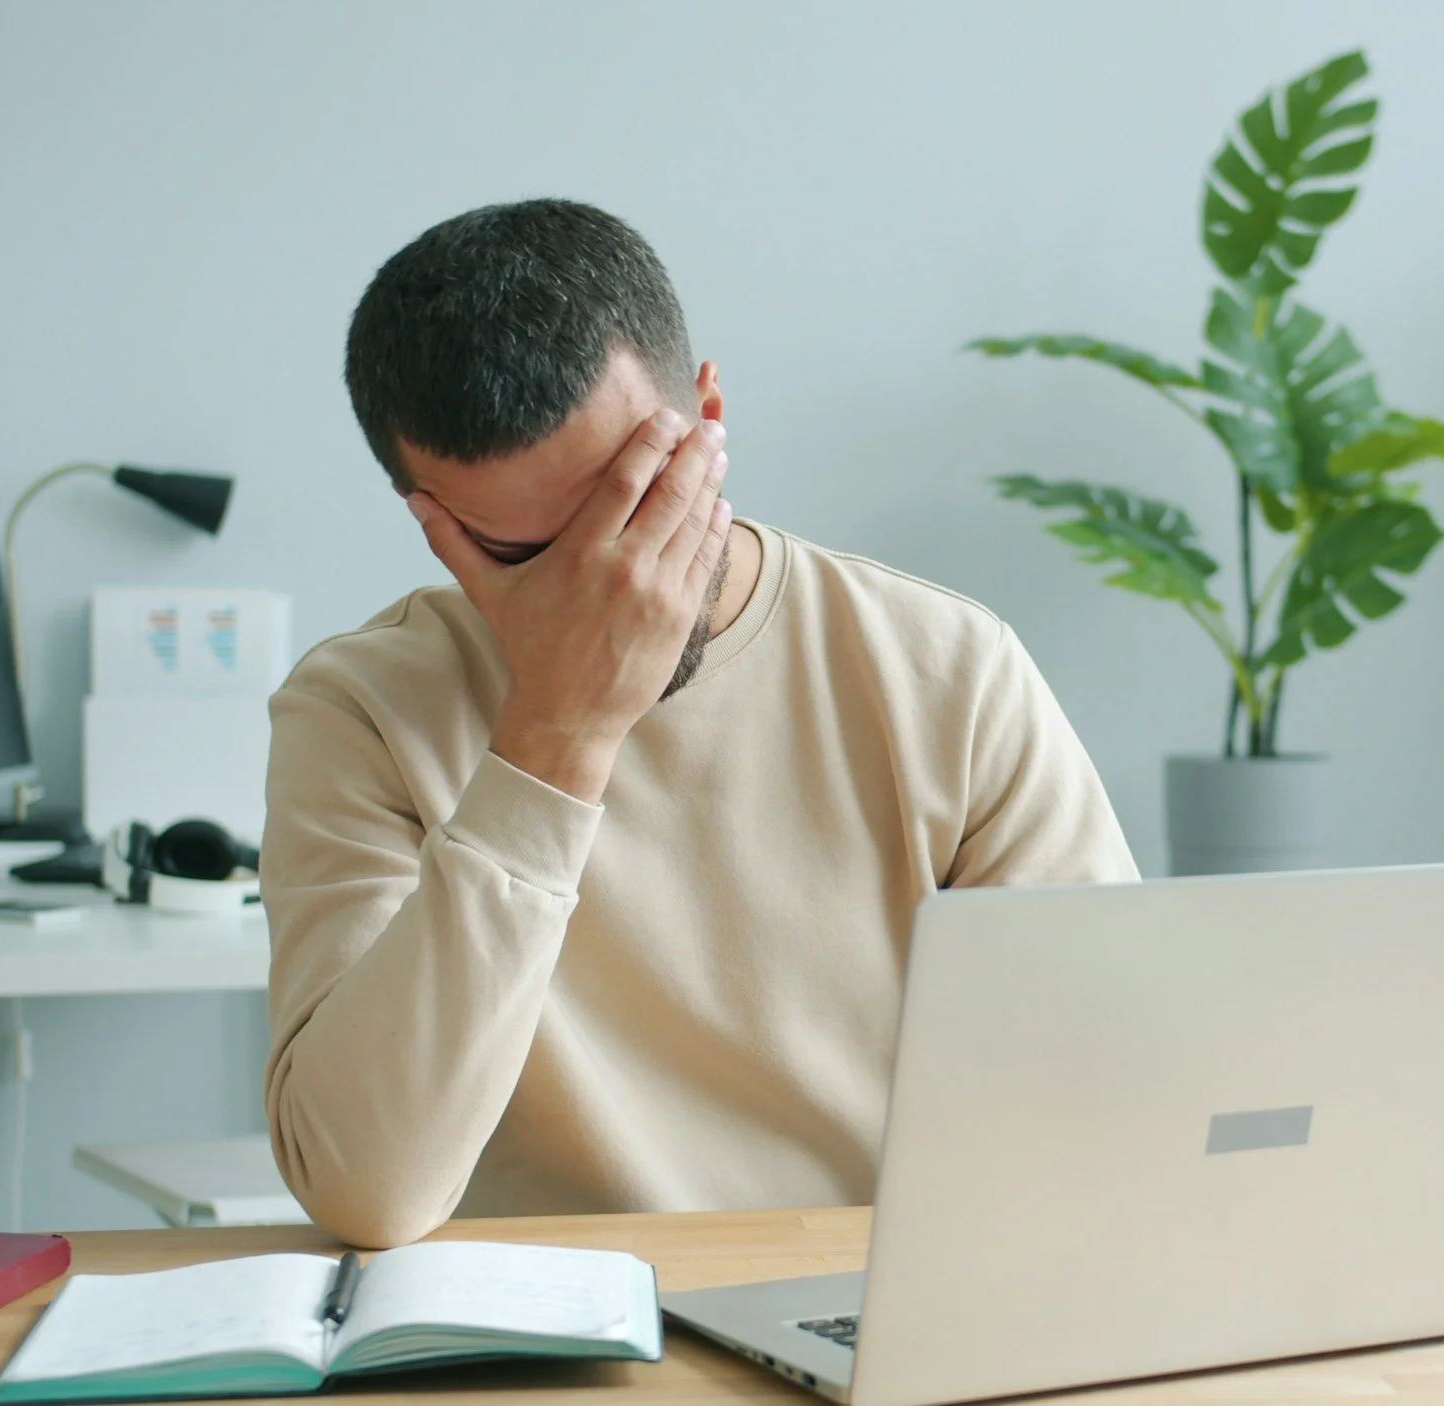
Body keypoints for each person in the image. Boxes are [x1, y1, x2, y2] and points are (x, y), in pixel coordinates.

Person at [260, 199, 1138, 1248]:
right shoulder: (359, 712)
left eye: (633, 507)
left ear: (707, 417)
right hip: (550, 1339)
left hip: (871, 1306)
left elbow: (1110, 1100)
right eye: (526, 556)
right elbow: (371, 1188)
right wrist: (555, 736)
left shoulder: (945, 668)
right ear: (430, 518)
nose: (609, 581)